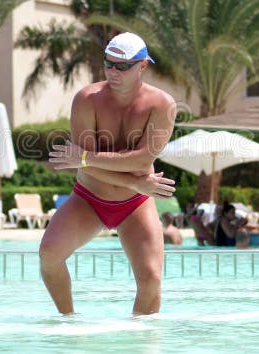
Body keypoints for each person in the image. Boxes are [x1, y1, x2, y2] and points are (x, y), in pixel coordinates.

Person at [41, 32, 177, 315]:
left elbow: (142, 158)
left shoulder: (162, 104)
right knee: (49, 256)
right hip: (89, 198)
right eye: (108, 64)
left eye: (122, 66)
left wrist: (87, 159)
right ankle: (69, 321)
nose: (113, 71)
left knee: (151, 280)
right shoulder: (87, 99)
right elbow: (88, 168)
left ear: (142, 66)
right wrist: (140, 183)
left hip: (135, 203)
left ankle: (141, 340)